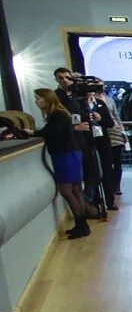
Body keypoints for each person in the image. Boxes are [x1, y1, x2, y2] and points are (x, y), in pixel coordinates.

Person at [34, 88, 92, 238]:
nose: (36, 102)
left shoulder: (57, 115)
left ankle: (81, 225)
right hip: (69, 154)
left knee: (67, 190)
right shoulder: (59, 113)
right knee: (75, 189)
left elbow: (51, 133)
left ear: (47, 99)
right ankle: (82, 224)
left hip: (65, 155)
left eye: (39, 99)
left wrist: (32, 133)